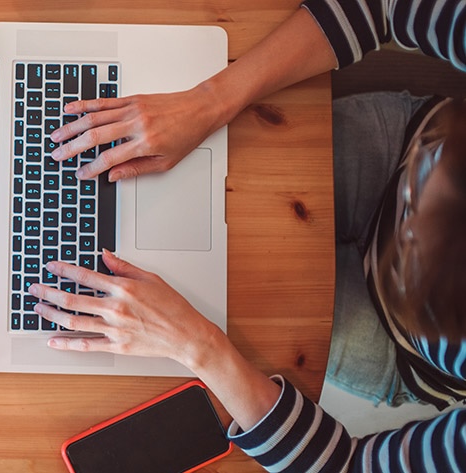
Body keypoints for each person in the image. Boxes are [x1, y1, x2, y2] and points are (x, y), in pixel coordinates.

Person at [30, 0, 466, 471]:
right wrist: (209, 101)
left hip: (398, 337)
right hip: (407, 154)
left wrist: (195, 344)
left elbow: (347, 467)